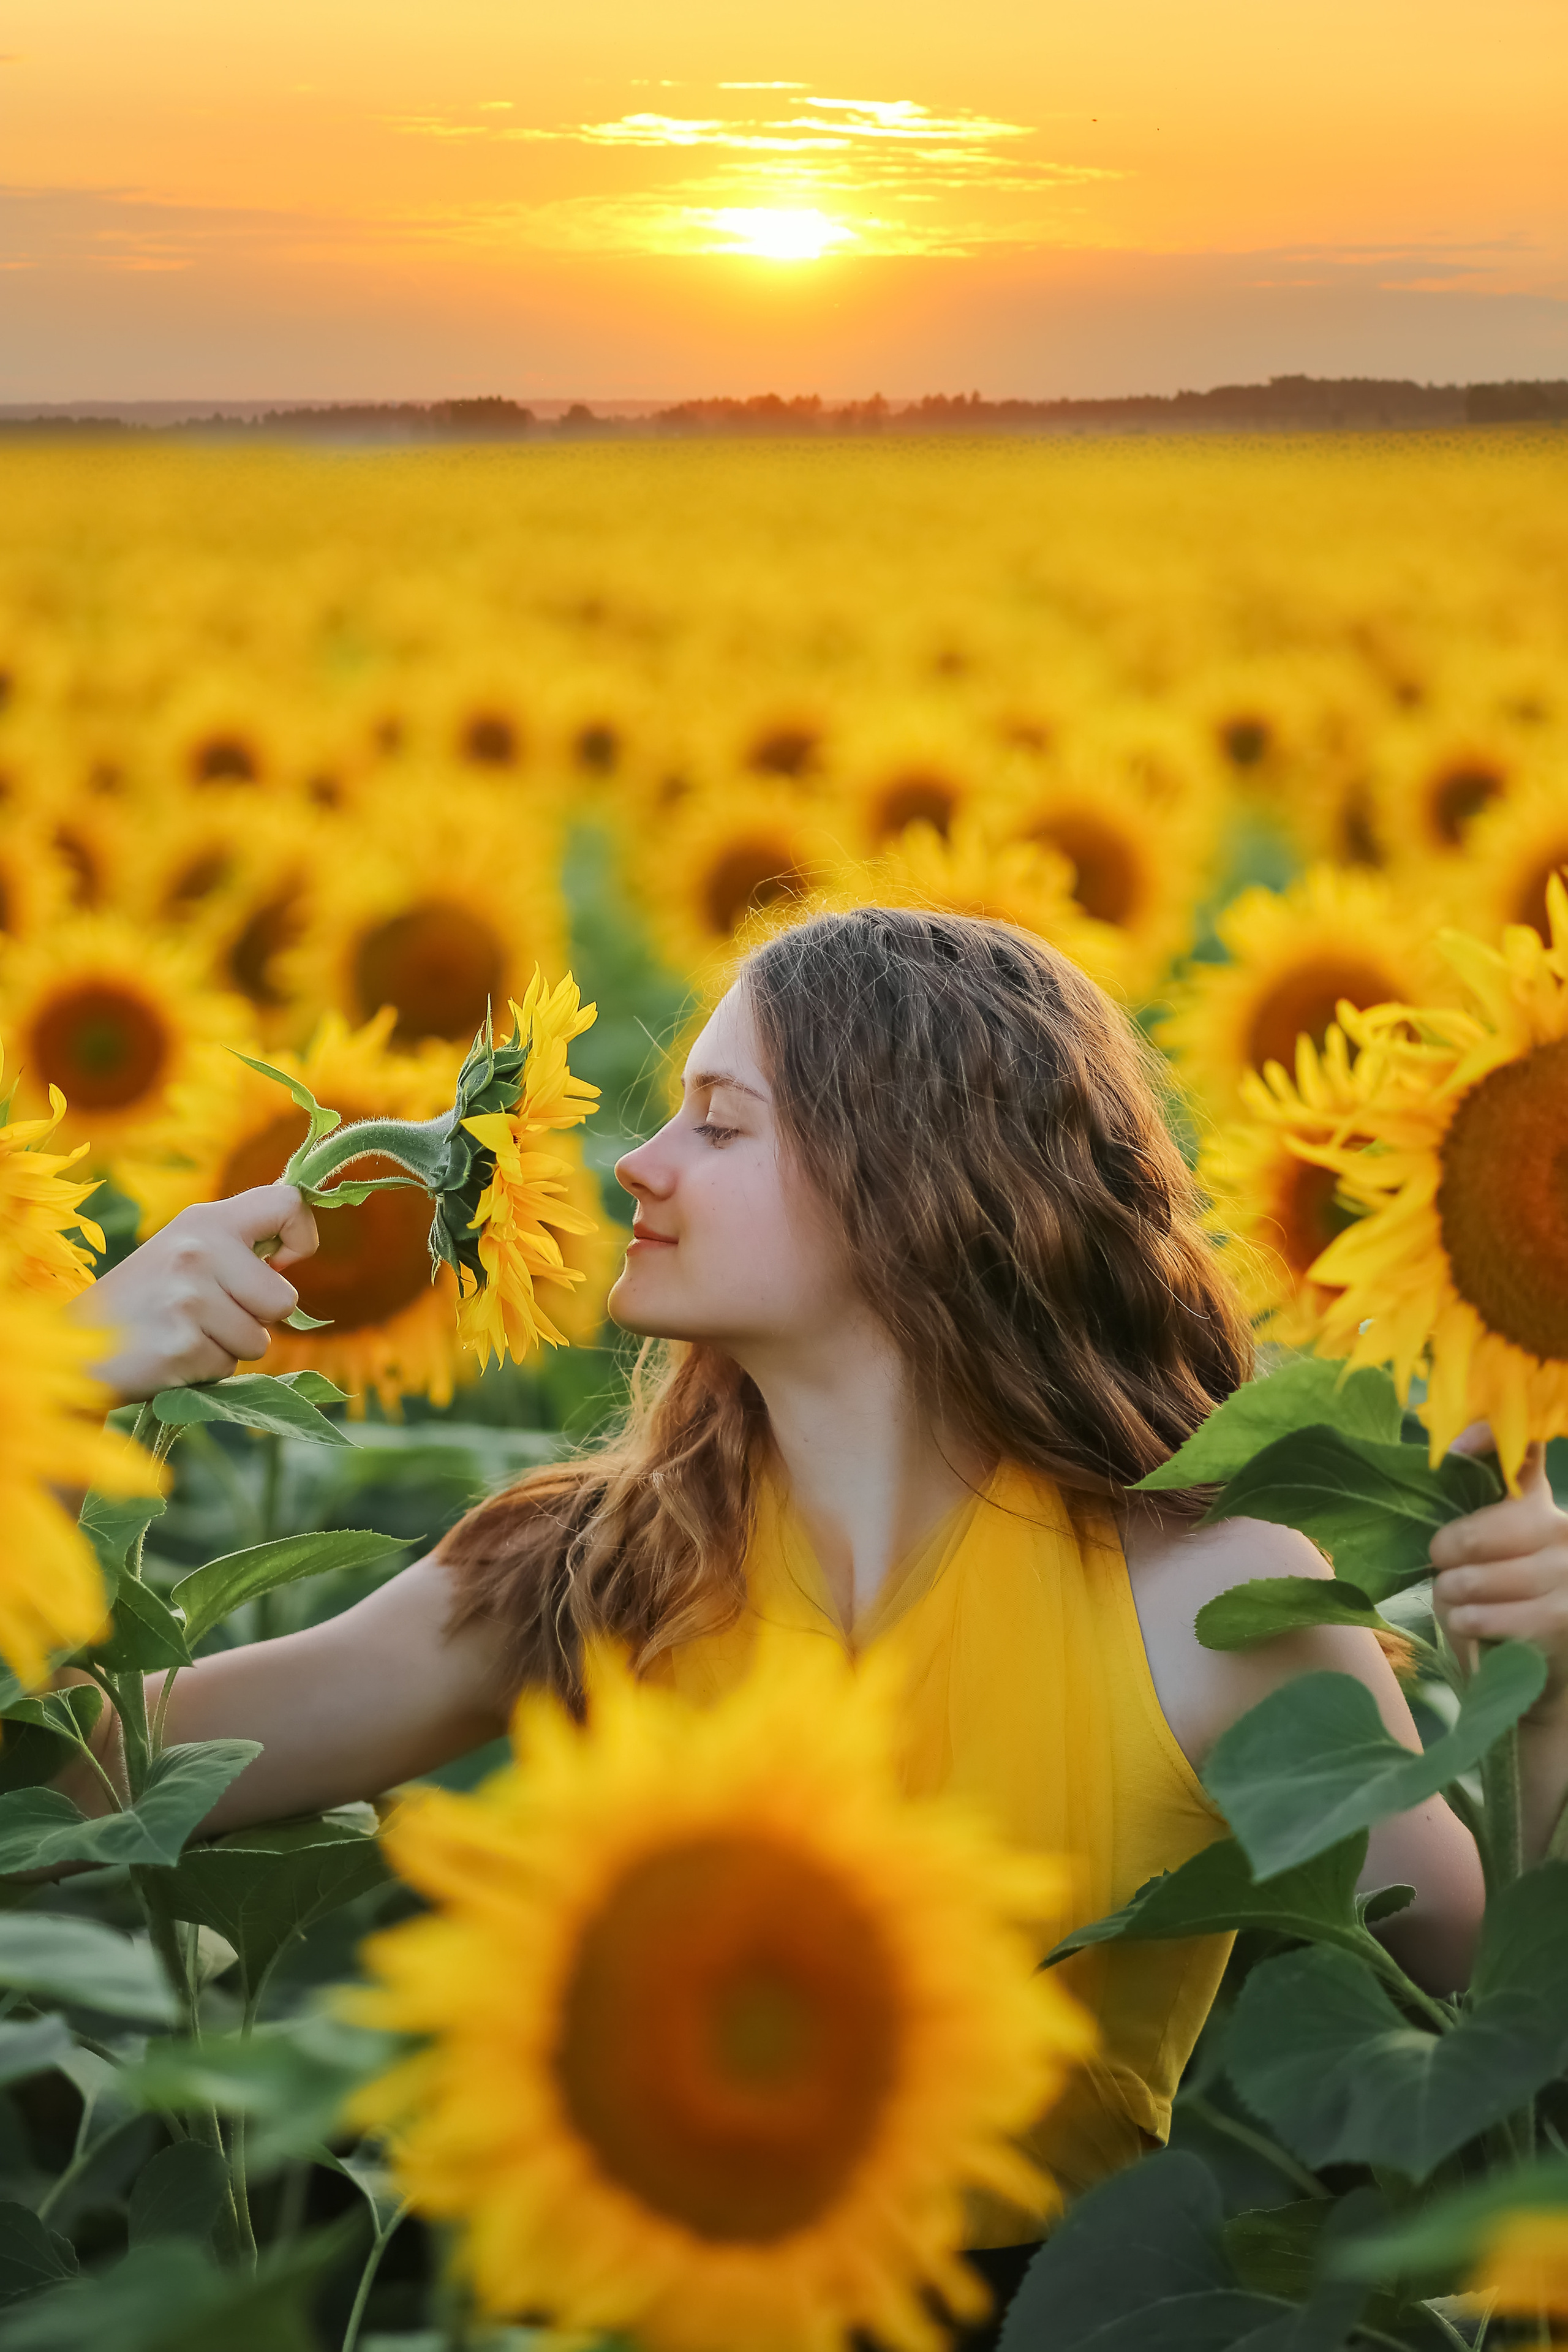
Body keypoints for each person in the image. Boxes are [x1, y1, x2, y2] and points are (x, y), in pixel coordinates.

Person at [65, 908, 1568, 2339]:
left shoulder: (1205, 1595)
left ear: (915, 1179)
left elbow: (1496, 2000)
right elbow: (88, 1782)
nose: (634, 1168)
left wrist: (1547, 1702)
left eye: (718, 1123)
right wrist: (58, 1388)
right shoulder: (595, 1568)